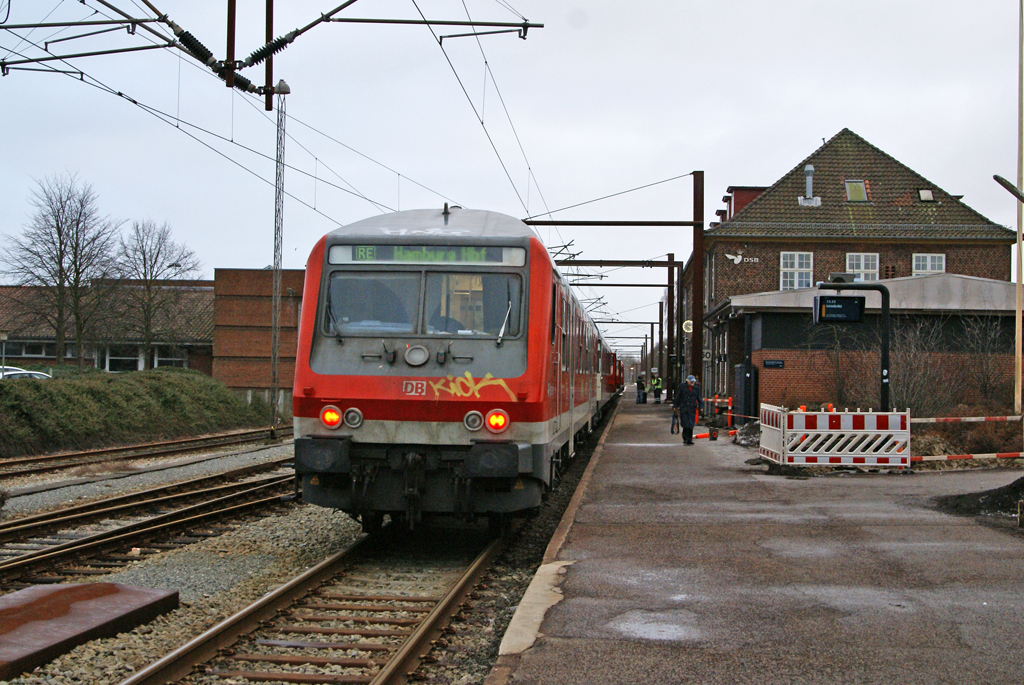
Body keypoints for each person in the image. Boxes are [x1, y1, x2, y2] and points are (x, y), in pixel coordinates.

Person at [673, 374, 702, 445]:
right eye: (691, 382)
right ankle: (685, 439)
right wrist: (675, 406)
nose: (692, 383)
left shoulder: (696, 388)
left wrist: (701, 407)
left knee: (691, 424)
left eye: (693, 382)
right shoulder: (682, 387)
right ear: (687, 381)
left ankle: (689, 439)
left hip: (692, 408)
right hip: (684, 407)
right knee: (685, 424)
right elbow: (678, 397)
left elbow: (699, 398)